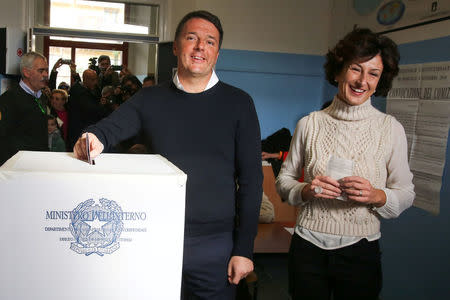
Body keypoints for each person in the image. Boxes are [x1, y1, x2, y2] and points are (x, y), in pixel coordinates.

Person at [73, 10, 262, 299]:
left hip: (214, 245)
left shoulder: (239, 103)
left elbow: (251, 180)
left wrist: (244, 248)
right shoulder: (150, 99)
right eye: (192, 38)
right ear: (175, 46)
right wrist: (92, 138)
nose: (201, 47)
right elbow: (108, 129)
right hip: (154, 236)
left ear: (217, 52)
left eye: (210, 42)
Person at [276, 28, 415, 300]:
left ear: (379, 80)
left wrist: (376, 195)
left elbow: (406, 193)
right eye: (355, 69)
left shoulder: (390, 129)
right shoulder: (310, 124)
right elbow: (284, 182)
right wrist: (306, 191)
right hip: (308, 248)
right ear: (339, 71)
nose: (362, 80)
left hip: (361, 251)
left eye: (373, 73)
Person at [0, 51, 49, 165]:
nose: (46, 74)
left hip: (38, 163)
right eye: (41, 70)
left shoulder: (41, 96)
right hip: (18, 167)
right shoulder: (8, 100)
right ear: (26, 72)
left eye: (46, 70)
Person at [68, 68, 107, 148]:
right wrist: (100, 105)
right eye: (92, 80)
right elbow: (89, 110)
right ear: (85, 79)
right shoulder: (77, 91)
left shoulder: (95, 89)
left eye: (96, 79)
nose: (95, 82)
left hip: (91, 129)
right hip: (79, 130)